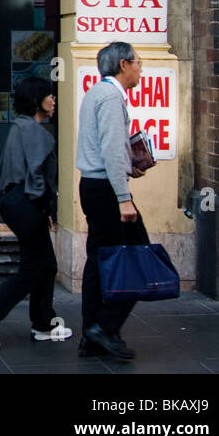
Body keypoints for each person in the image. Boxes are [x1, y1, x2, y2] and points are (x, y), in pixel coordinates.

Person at [0, 76, 70, 348]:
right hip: (27, 205)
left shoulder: (19, 127)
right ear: (38, 101)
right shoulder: (36, 133)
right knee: (34, 269)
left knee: (46, 265)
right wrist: (43, 206)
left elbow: (5, 173)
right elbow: (37, 178)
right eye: (49, 96)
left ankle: (44, 325)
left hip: (17, 204)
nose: (54, 100)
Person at [74, 41, 148, 361]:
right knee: (137, 256)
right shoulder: (110, 96)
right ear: (123, 65)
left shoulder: (97, 93)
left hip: (95, 185)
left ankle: (92, 336)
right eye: (138, 62)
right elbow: (112, 149)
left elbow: (110, 148)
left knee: (99, 263)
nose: (140, 69)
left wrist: (129, 167)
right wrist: (124, 198)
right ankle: (105, 326)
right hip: (106, 190)